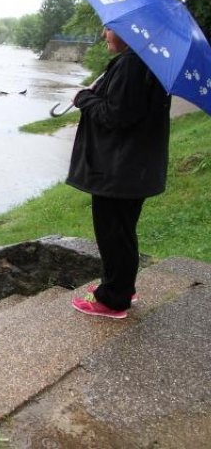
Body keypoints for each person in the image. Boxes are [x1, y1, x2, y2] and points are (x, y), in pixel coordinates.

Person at [67, 27, 171, 319]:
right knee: (122, 233)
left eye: (110, 28)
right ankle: (123, 288)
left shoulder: (132, 64)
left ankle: (112, 300)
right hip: (134, 169)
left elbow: (116, 116)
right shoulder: (147, 62)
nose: (103, 33)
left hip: (119, 170)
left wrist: (83, 99)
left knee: (113, 234)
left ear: (129, 32)